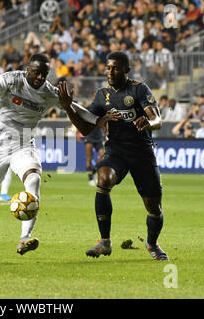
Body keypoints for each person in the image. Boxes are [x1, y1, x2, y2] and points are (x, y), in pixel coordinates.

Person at [0, 53, 117, 255]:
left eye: (44, 74)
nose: (39, 78)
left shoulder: (49, 92)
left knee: (34, 180)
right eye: (36, 73)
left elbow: (74, 107)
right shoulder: (11, 80)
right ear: (27, 69)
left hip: (23, 146)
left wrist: (98, 120)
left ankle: (24, 238)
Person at [58, 51, 169, 261]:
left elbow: (157, 119)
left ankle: (152, 243)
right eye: (108, 67)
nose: (110, 71)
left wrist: (149, 123)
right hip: (116, 151)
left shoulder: (138, 89)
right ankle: (105, 242)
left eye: (115, 68)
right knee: (104, 179)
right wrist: (68, 108)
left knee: (154, 207)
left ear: (126, 69)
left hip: (142, 153)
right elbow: (86, 127)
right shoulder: (101, 95)